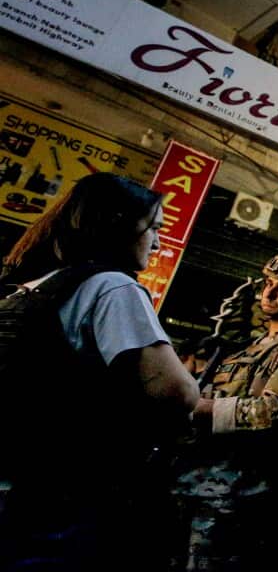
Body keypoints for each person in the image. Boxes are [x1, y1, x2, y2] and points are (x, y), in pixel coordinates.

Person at [0, 172, 199, 571]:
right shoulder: (112, 287)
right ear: (119, 225)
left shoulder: (31, 288)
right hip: (65, 502)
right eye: (153, 229)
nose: (158, 243)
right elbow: (177, 393)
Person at [172, 251, 278, 571]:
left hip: (249, 501)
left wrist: (201, 409)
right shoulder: (249, 346)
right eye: (268, 284)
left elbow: (272, 411)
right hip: (207, 488)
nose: (270, 293)